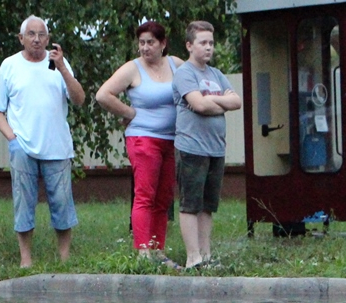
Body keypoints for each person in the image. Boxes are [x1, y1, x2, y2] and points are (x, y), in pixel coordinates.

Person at [0, 15, 86, 268]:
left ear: (48, 38)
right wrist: (13, 139)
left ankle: (64, 259)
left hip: (57, 147)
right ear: (21, 38)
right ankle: (26, 260)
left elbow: (79, 99)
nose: (36, 39)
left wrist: (63, 68)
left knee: (62, 203)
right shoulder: (10, 65)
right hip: (23, 147)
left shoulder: (58, 64)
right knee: (24, 203)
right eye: (31, 34)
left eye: (41, 34)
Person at [96, 21, 184, 269]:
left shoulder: (176, 64)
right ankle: (144, 252)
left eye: (150, 43)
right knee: (145, 194)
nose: (145, 48)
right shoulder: (132, 69)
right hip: (143, 139)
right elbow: (103, 95)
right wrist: (129, 112)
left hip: (171, 140)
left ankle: (158, 251)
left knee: (164, 197)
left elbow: (194, 86)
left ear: (163, 43)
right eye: (142, 43)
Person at [172, 21, 241, 269]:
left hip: (215, 149)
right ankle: (193, 258)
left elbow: (236, 102)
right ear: (190, 46)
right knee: (191, 204)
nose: (209, 47)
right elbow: (199, 105)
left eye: (211, 43)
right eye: (203, 43)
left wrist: (209, 98)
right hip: (192, 148)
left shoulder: (216, 74)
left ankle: (206, 255)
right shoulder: (184, 74)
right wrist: (219, 101)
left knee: (207, 205)